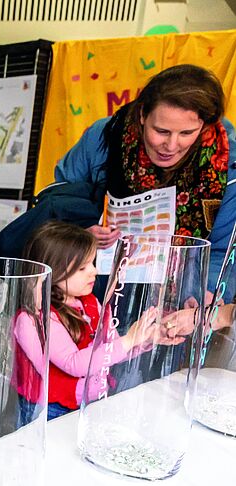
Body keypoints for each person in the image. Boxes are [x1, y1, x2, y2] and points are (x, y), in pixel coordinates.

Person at [54, 64, 236, 289]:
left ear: (205, 126)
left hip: (181, 303)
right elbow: (57, 203)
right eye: (161, 131)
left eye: (186, 133)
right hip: (94, 290)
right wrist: (78, 233)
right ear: (142, 115)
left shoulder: (226, 163)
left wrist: (205, 296)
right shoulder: (103, 139)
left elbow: (224, 252)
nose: (170, 145)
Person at [13, 222, 159, 424]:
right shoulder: (32, 319)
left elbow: (110, 349)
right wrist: (129, 340)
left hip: (89, 401)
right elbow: (75, 364)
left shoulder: (89, 302)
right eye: (82, 268)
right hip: (51, 409)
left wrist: (143, 340)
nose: (94, 271)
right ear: (52, 273)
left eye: (92, 262)